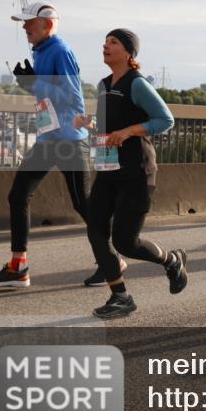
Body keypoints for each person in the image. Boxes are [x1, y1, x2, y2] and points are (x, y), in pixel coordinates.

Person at [0, 0, 96, 289]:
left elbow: (74, 99)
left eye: (29, 22)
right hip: (49, 137)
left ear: (47, 25)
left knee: (84, 205)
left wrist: (34, 82)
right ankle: (19, 268)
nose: (24, 27)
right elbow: (48, 94)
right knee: (18, 196)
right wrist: (31, 84)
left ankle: (112, 260)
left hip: (69, 139)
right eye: (23, 22)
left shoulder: (60, 50)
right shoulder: (41, 51)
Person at [73, 29, 187, 318]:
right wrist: (90, 125)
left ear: (128, 52)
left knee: (126, 241)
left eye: (113, 42)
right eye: (105, 41)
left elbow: (165, 120)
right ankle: (120, 296)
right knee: (96, 231)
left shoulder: (137, 84)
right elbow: (108, 128)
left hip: (138, 171)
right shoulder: (102, 85)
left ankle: (172, 260)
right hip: (109, 168)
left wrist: (129, 131)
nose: (105, 46)